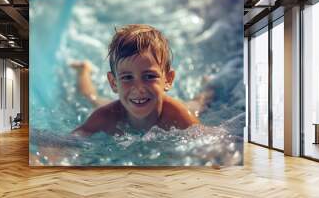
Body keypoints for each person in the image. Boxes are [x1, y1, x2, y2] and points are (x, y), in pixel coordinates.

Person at [70, 24, 213, 137]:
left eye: (149, 76)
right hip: (118, 107)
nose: (139, 88)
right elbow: (69, 141)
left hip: (183, 108)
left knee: (198, 104)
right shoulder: (106, 117)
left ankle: (208, 87)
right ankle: (84, 71)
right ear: (114, 83)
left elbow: (212, 144)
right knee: (91, 98)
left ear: (168, 79)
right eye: (127, 77)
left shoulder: (178, 116)